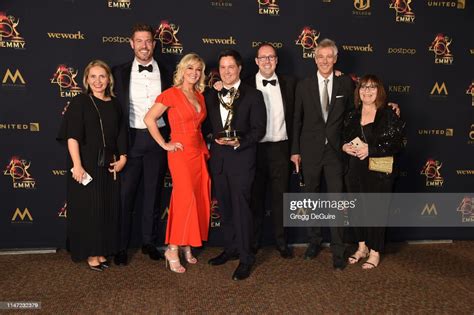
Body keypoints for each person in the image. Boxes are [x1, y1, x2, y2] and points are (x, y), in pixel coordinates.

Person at [57, 60, 127, 271]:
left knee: (106, 210)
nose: (98, 81)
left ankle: (102, 251)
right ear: (86, 80)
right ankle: (90, 254)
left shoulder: (115, 104)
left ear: (109, 80)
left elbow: (122, 133)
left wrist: (123, 157)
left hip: (109, 165)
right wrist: (77, 166)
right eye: (93, 77)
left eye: (102, 76)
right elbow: (72, 137)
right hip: (86, 164)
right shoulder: (80, 102)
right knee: (90, 211)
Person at [144, 53, 210, 273]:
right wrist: (164, 144)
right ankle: (172, 248)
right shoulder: (171, 94)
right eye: (190, 68)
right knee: (184, 200)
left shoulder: (200, 95)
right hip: (180, 154)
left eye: (198, 69)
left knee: (198, 198)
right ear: (182, 70)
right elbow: (149, 119)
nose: (194, 73)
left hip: (199, 152)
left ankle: (186, 245)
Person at [291, 39, 354, 270]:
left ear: (335, 59)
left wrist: (389, 107)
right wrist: (295, 151)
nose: (325, 60)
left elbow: (355, 114)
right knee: (311, 199)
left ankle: (338, 250)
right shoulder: (304, 85)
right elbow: (296, 119)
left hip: (336, 153)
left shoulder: (345, 83)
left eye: (329, 56)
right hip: (309, 151)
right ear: (314, 58)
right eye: (321, 56)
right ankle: (314, 242)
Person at [206, 49, 267, 280]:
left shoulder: (253, 95)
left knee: (242, 210)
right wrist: (213, 139)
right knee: (225, 207)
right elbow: (207, 128)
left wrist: (239, 141)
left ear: (240, 69)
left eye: (231, 67)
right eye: (222, 67)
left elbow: (259, 130)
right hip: (219, 161)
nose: (227, 71)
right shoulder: (211, 95)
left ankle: (245, 257)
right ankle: (231, 248)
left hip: (242, 160)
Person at [112, 23, 171, 265]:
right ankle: (120, 247)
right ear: (131, 43)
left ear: (154, 44)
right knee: (125, 197)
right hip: (131, 141)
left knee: (153, 195)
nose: (144, 45)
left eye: (148, 41)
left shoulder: (168, 72)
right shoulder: (118, 72)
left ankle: (149, 242)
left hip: (159, 140)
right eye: (140, 41)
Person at [342, 74, 404, 269]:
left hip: (378, 171)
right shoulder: (352, 114)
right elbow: (343, 137)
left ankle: (375, 251)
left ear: (379, 91)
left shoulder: (388, 114)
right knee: (357, 209)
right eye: (363, 87)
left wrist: (371, 150)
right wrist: (344, 147)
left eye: (372, 87)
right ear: (358, 91)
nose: (367, 91)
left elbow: (396, 143)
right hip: (355, 170)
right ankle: (362, 247)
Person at [247, 43, 296, 258]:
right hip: (254, 150)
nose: (267, 61)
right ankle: (254, 242)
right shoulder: (245, 84)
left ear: (276, 60)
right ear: (256, 61)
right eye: (263, 58)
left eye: (271, 57)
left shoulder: (290, 83)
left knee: (280, 198)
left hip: (280, 149)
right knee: (255, 199)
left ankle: (281, 242)